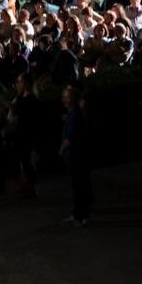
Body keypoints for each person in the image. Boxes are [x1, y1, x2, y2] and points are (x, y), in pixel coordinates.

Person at [60, 84, 90, 227]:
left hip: (75, 155)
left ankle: (80, 215)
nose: (64, 100)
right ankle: (79, 213)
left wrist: (61, 149)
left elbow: (70, 138)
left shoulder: (74, 114)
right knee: (79, 185)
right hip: (77, 155)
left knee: (78, 186)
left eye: (66, 97)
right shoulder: (75, 113)